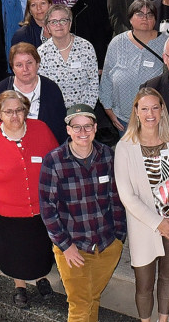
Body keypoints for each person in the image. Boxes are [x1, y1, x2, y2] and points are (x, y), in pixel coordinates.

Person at [0, 90, 59, 308]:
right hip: (6, 212)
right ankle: (19, 284)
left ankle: (40, 278)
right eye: (8, 111)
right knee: (15, 253)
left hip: (40, 209)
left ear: (26, 111)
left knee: (40, 249)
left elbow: (57, 162)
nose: (14, 116)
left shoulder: (41, 129)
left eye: (19, 110)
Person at [40, 104, 127, 322]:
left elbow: (116, 198)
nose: (82, 132)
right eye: (76, 127)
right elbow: (48, 209)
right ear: (68, 129)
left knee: (93, 297)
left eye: (87, 126)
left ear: (95, 127)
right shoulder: (54, 160)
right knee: (79, 305)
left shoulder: (107, 155)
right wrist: (65, 246)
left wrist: (119, 237)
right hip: (72, 247)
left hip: (107, 243)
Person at [115, 89, 169, 322]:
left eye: (155, 108)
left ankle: (163, 319)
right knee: (144, 284)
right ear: (136, 112)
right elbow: (127, 196)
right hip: (144, 225)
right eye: (144, 108)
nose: (150, 114)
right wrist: (158, 223)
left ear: (162, 110)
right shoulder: (125, 146)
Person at [101, 0, 169, 131]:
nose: (145, 18)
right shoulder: (117, 43)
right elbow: (106, 78)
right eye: (139, 14)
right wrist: (109, 111)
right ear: (130, 18)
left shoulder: (167, 43)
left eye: (150, 14)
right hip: (123, 118)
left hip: (156, 118)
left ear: (155, 20)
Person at [0, 43, 69, 143]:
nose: (25, 69)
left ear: (38, 64)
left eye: (29, 63)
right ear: (12, 68)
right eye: (19, 65)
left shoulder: (51, 89)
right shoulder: (1, 91)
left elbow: (61, 130)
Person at [37, 4, 100, 108]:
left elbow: (93, 83)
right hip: (54, 111)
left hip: (83, 112)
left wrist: (84, 112)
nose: (59, 25)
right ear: (47, 27)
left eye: (63, 20)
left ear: (70, 24)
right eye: (53, 22)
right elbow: (42, 88)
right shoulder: (41, 53)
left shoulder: (86, 47)